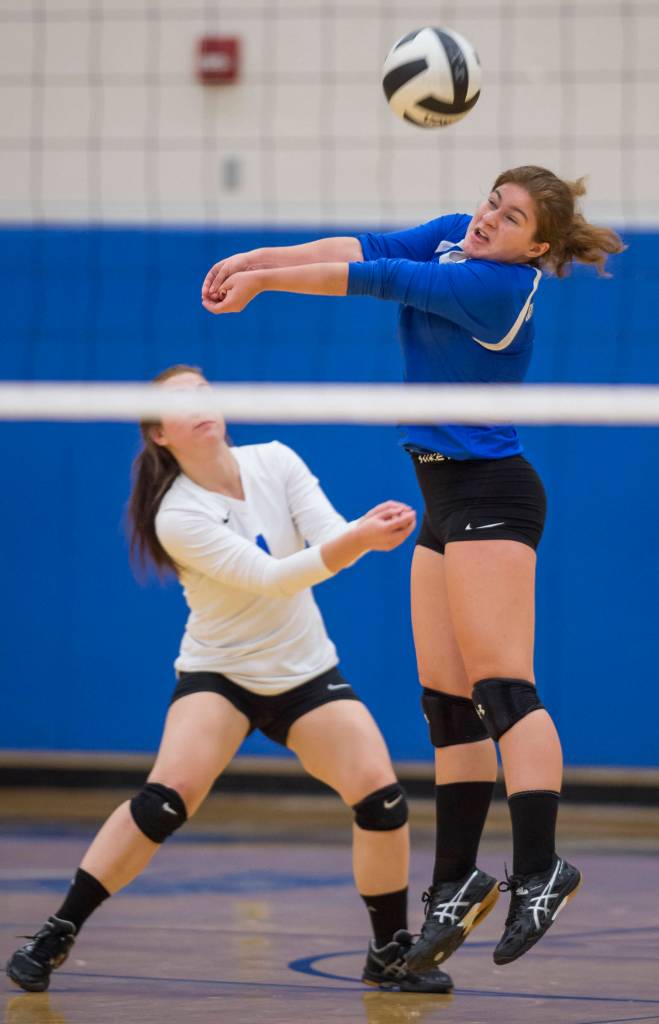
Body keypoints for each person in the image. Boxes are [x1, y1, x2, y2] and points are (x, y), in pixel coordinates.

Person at [200, 166, 625, 968]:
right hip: (442, 492)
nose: (486, 220)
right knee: (446, 704)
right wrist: (259, 254)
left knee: (503, 687)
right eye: (489, 203)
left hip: (493, 493)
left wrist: (263, 285)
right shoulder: (452, 237)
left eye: (509, 218)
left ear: (535, 246)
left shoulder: (495, 288)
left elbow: (368, 277)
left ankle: (538, 868)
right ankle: (456, 883)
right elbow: (354, 243)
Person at [6, 365, 453, 996]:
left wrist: (359, 534)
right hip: (220, 673)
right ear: (160, 434)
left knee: (382, 799)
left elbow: (326, 539)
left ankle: (388, 951)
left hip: (303, 670)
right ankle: (55, 932)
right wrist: (359, 540)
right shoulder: (176, 515)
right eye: (179, 402)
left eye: (203, 391)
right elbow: (274, 576)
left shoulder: (276, 459)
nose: (200, 404)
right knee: (164, 800)